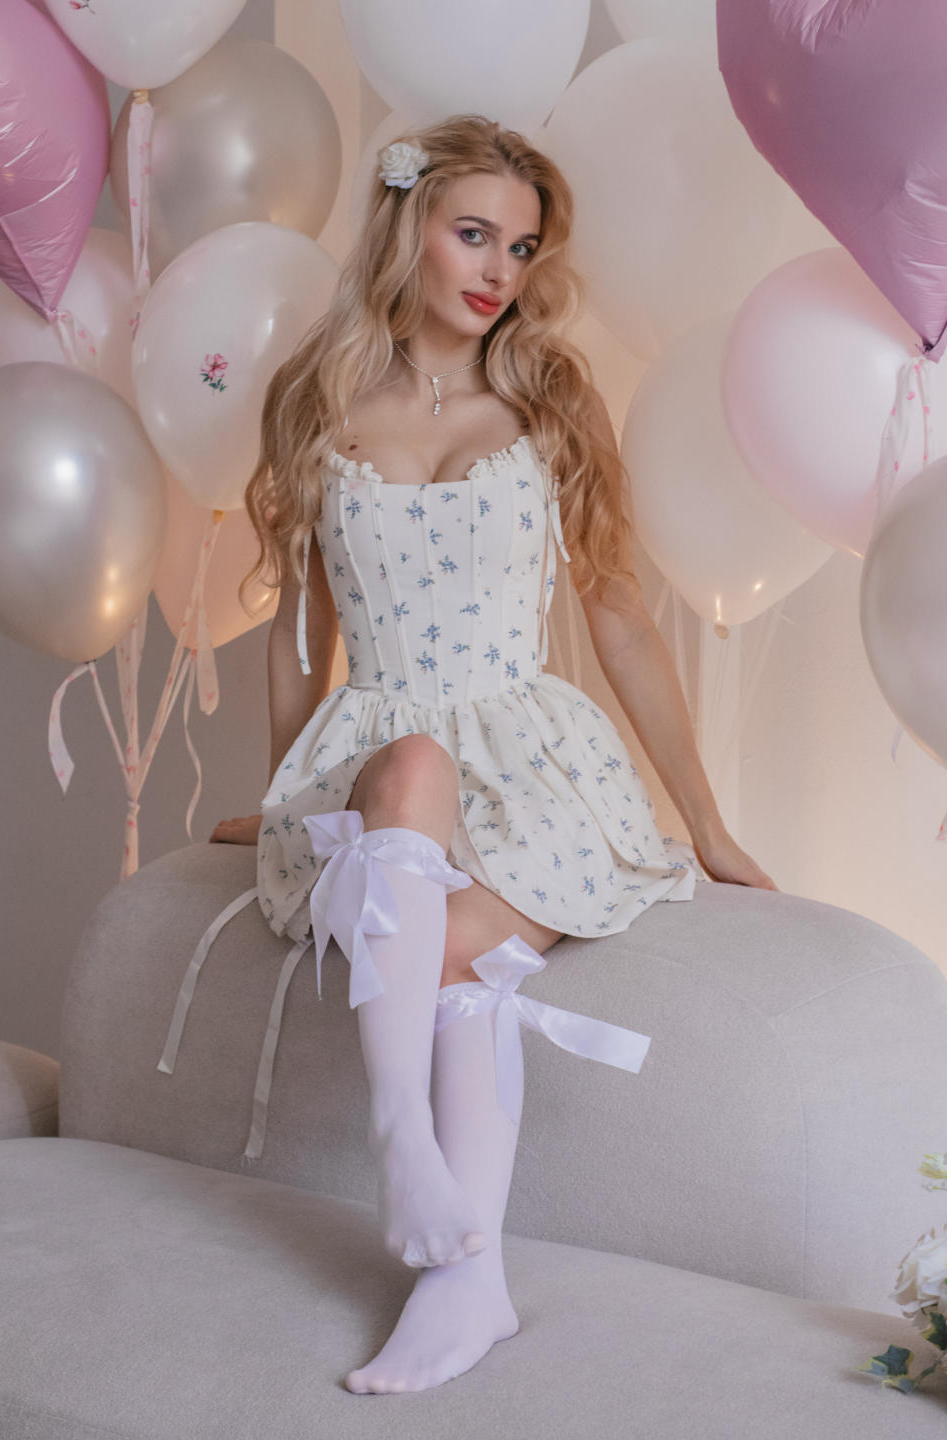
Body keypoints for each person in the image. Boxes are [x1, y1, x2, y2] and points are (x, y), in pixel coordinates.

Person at [206, 114, 778, 1394]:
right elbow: (300, 628)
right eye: (474, 234)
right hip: (382, 754)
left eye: (520, 248)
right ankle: (407, 1148)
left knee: (457, 938)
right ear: (406, 223)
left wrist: (708, 822)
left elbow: (618, 617)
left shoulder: (551, 398)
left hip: (531, 761)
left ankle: (463, 1283)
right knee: (410, 762)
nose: (498, 272)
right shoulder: (312, 401)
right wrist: (281, 791)